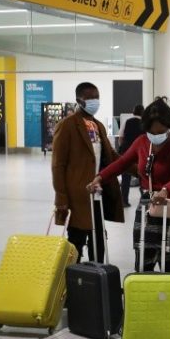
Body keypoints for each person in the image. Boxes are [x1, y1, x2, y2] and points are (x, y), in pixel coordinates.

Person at [87, 97, 170, 273]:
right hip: (148, 201)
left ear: (169, 127)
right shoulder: (141, 142)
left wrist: (167, 190)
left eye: (161, 132)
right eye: (153, 132)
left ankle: (167, 293)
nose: (156, 136)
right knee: (143, 252)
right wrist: (100, 177)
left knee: (168, 256)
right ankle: (144, 290)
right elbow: (121, 164)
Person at [52, 82, 125, 263]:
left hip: (98, 194)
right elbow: (58, 165)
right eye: (90, 97)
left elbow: (112, 155)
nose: (95, 101)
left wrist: (137, 168)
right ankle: (73, 282)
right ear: (79, 100)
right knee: (76, 241)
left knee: (98, 239)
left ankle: (96, 279)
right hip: (77, 196)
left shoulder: (98, 125)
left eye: (97, 97)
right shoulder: (67, 125)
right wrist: (61, 197)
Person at [118, 104, 145, 207]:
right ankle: (144, 200)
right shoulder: (145, 124)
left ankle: (124, 200)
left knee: (126, 177)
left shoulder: (127, 121)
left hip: (127, 153)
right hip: (140, 154)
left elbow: (120, 137)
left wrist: (123, 148)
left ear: (133, 112)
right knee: (143, 176)